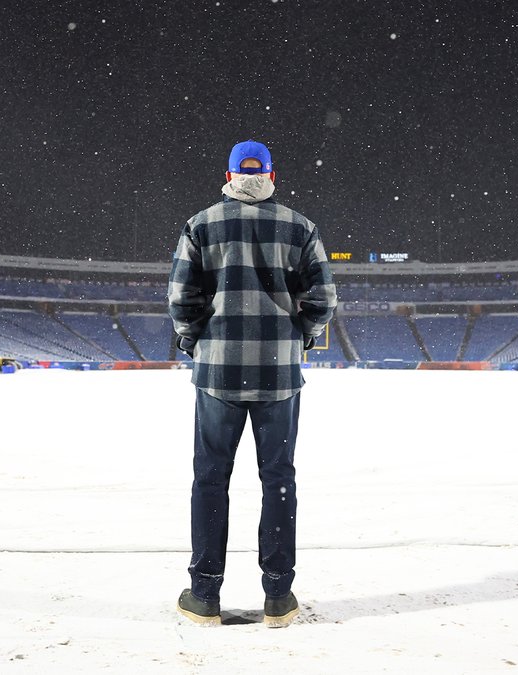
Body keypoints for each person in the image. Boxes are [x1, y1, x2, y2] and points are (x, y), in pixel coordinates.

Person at [167, 139, 338, 628]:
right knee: (278, 480)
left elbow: (182, 299)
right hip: (279, 376)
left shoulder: (201, 224)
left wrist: (196, 340)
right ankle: (279, 597)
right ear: (271, 176)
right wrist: (296, 336)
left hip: (217, 373)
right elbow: (323, 297)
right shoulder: (299, 227)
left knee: (210, 480)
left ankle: (204, 595)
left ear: (227, 176)